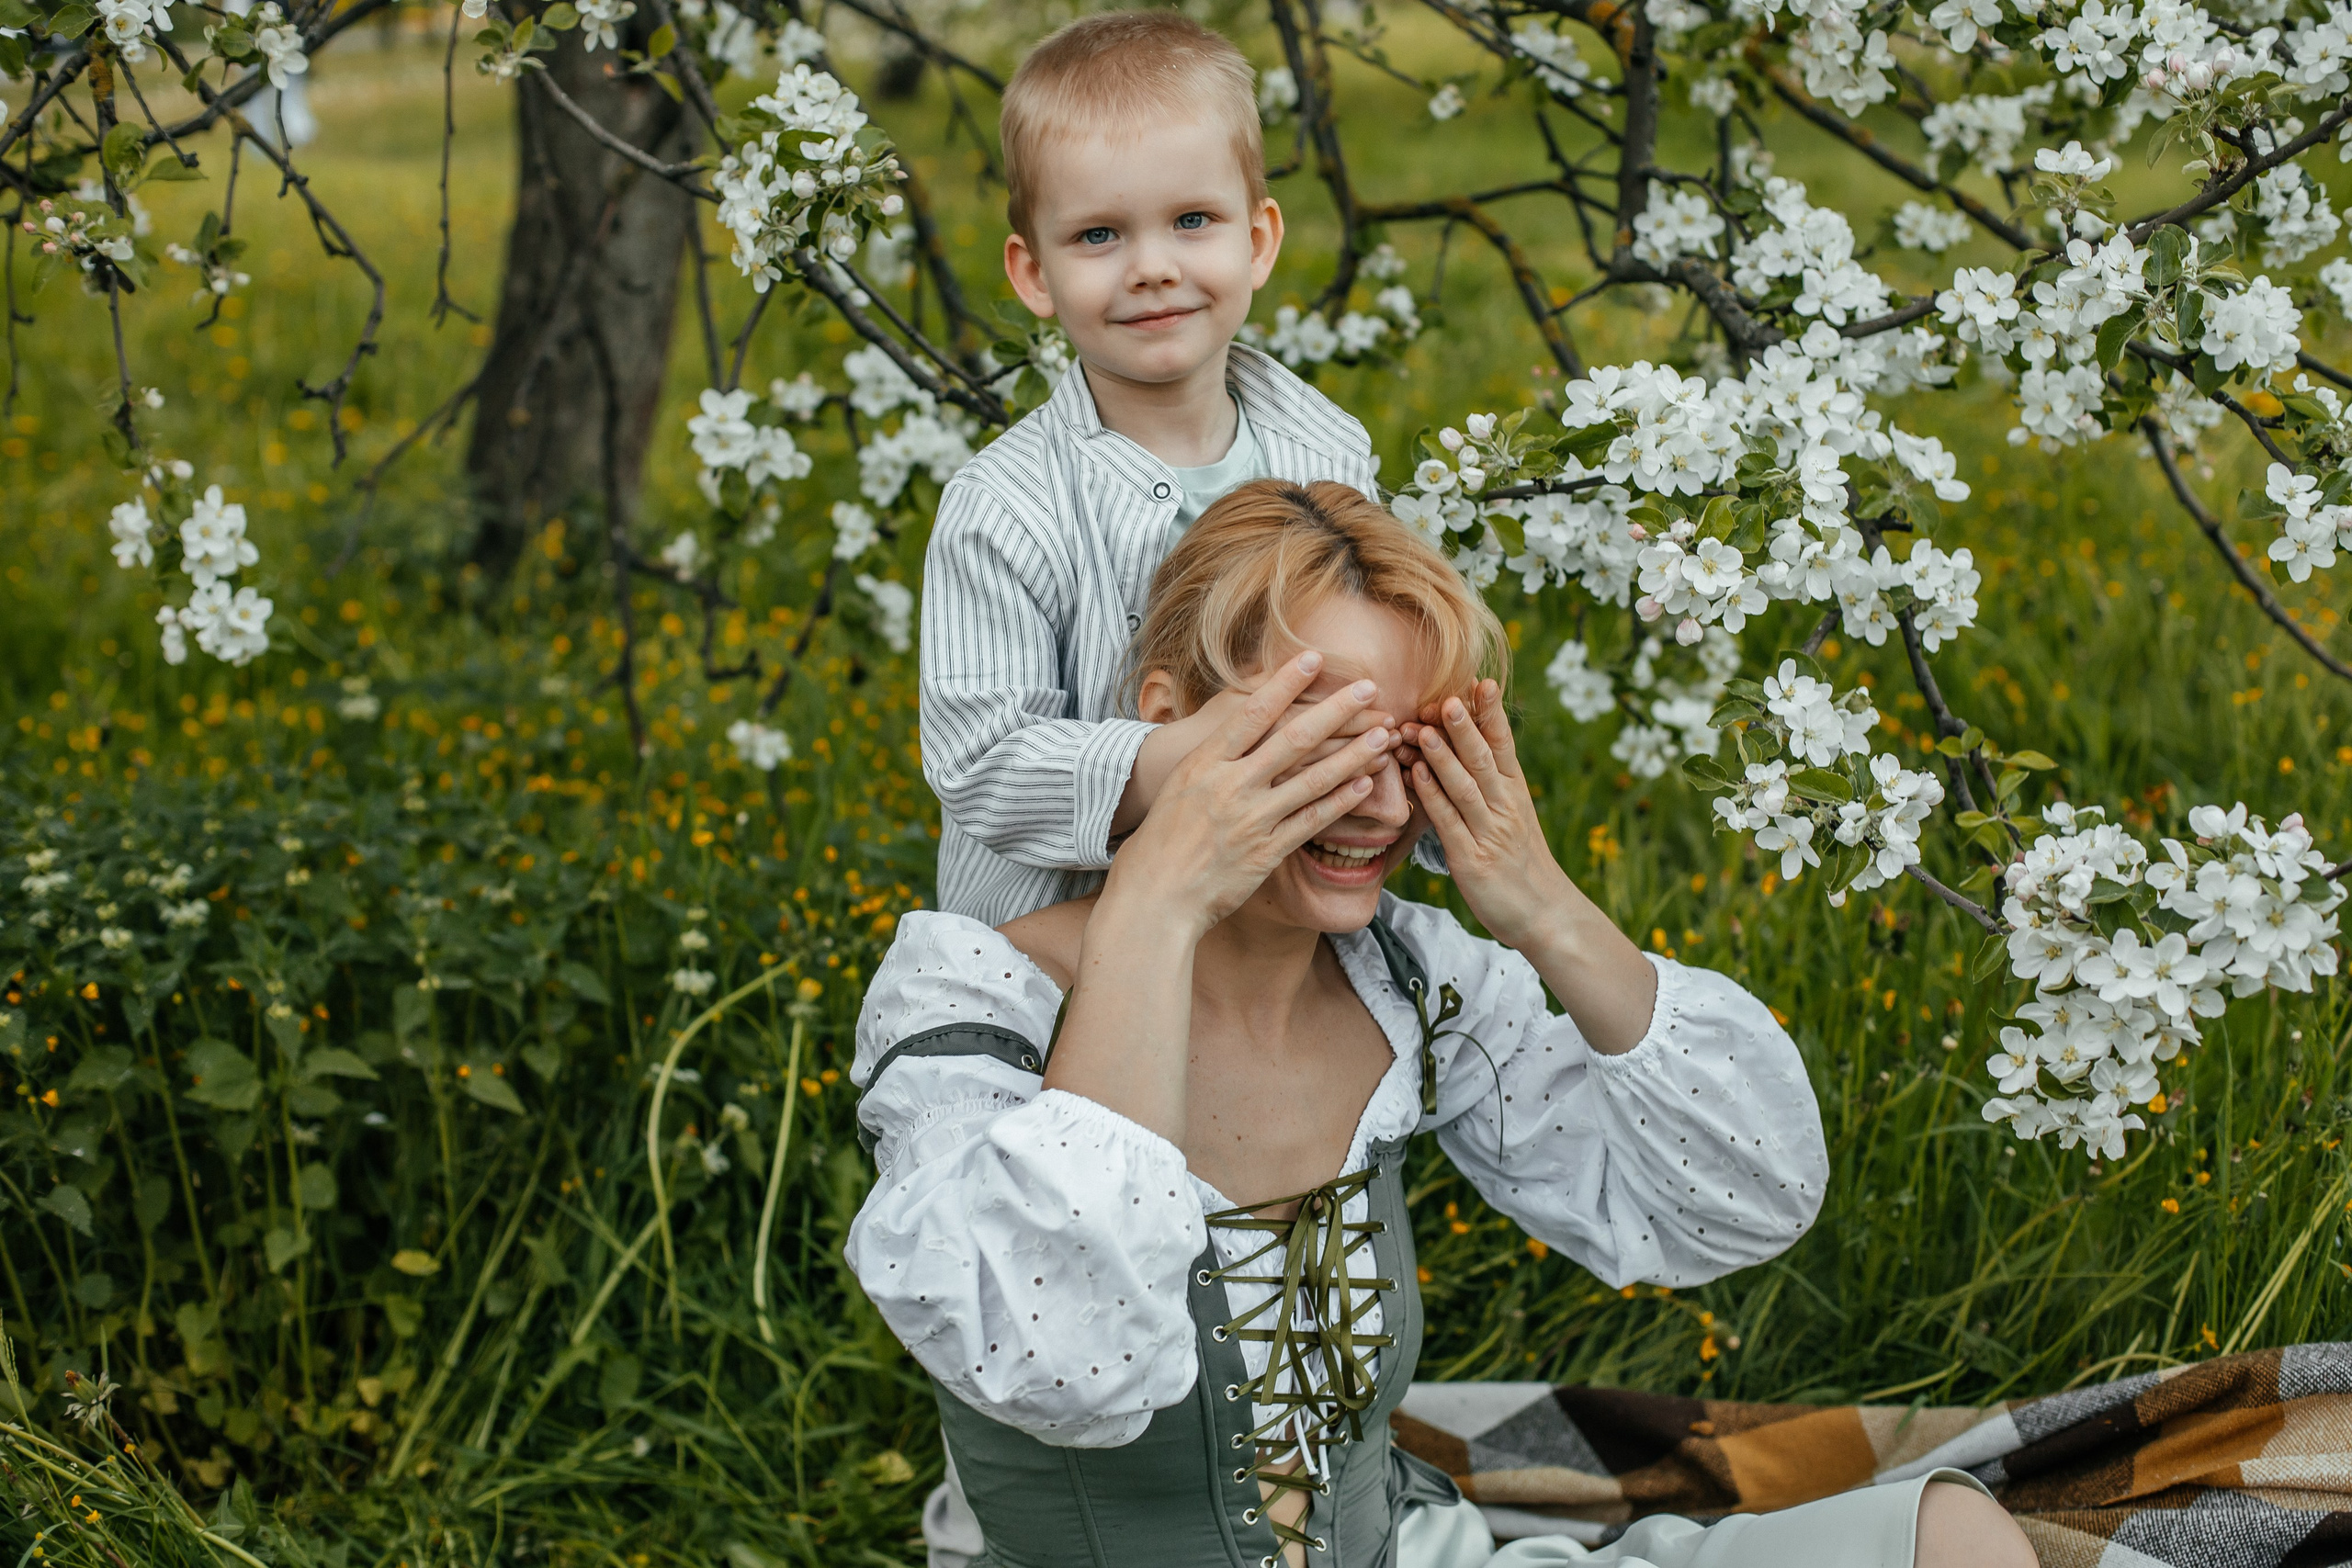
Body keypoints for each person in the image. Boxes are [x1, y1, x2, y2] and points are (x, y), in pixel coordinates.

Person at [853, 481, 2037, 1568]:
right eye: (1326, 742)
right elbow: (1054, 1357)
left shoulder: (1403, 979)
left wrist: (1541, 906)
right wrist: (1156, 902)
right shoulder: (981, 1002)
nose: (1377, 804)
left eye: (1412, 749)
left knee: (1950, 1537)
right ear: (1169, 722)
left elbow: (1742, 1198)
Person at [920, 11, 1410, 930]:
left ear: (1257, 240)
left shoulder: (1328, 451)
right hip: (1063, 946)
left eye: (1192, 221)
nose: (1152, 268)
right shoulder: (1003, 509)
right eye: (1099, 236)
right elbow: (983, 768)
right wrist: (1185, 757)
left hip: (1280, 929)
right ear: (1033, 275)